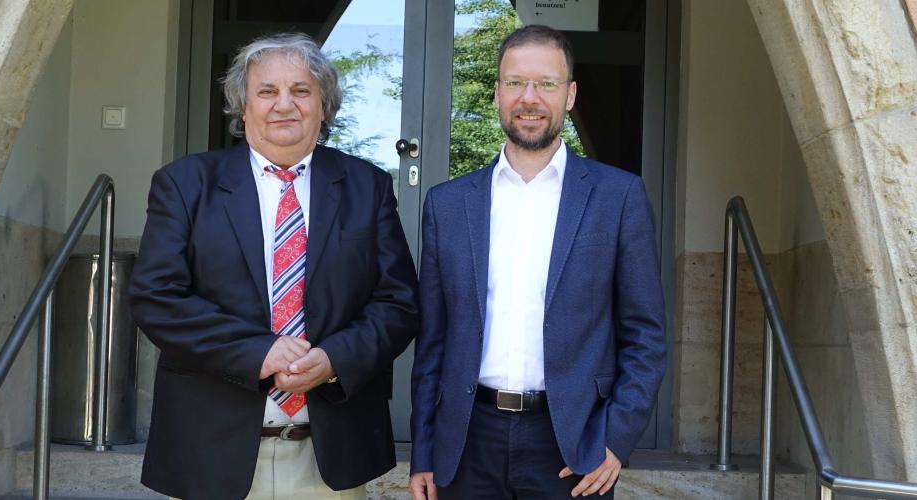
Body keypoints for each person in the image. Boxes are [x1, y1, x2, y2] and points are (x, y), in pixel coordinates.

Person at [129, 32, 419, 500]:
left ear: (324, 106)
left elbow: (398, 302)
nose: (284, 104)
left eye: (301, 91)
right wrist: (256, 351)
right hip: (211, 453)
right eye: (267, 91)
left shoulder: (367, 186)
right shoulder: (185, 184)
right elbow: (155, 298)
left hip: (331, 458)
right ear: (243, 108)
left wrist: (333, 360)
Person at [409, 25, 666, 500]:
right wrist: (423, 450)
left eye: (546, 84)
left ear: (570, 95)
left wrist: (613, 441)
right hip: (466, 443)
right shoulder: (447, 205)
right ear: (497, 93)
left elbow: (645, 335)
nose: (530, 98)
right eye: (515, 83)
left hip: (572, 445)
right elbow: (434, 341)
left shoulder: (617, 196)